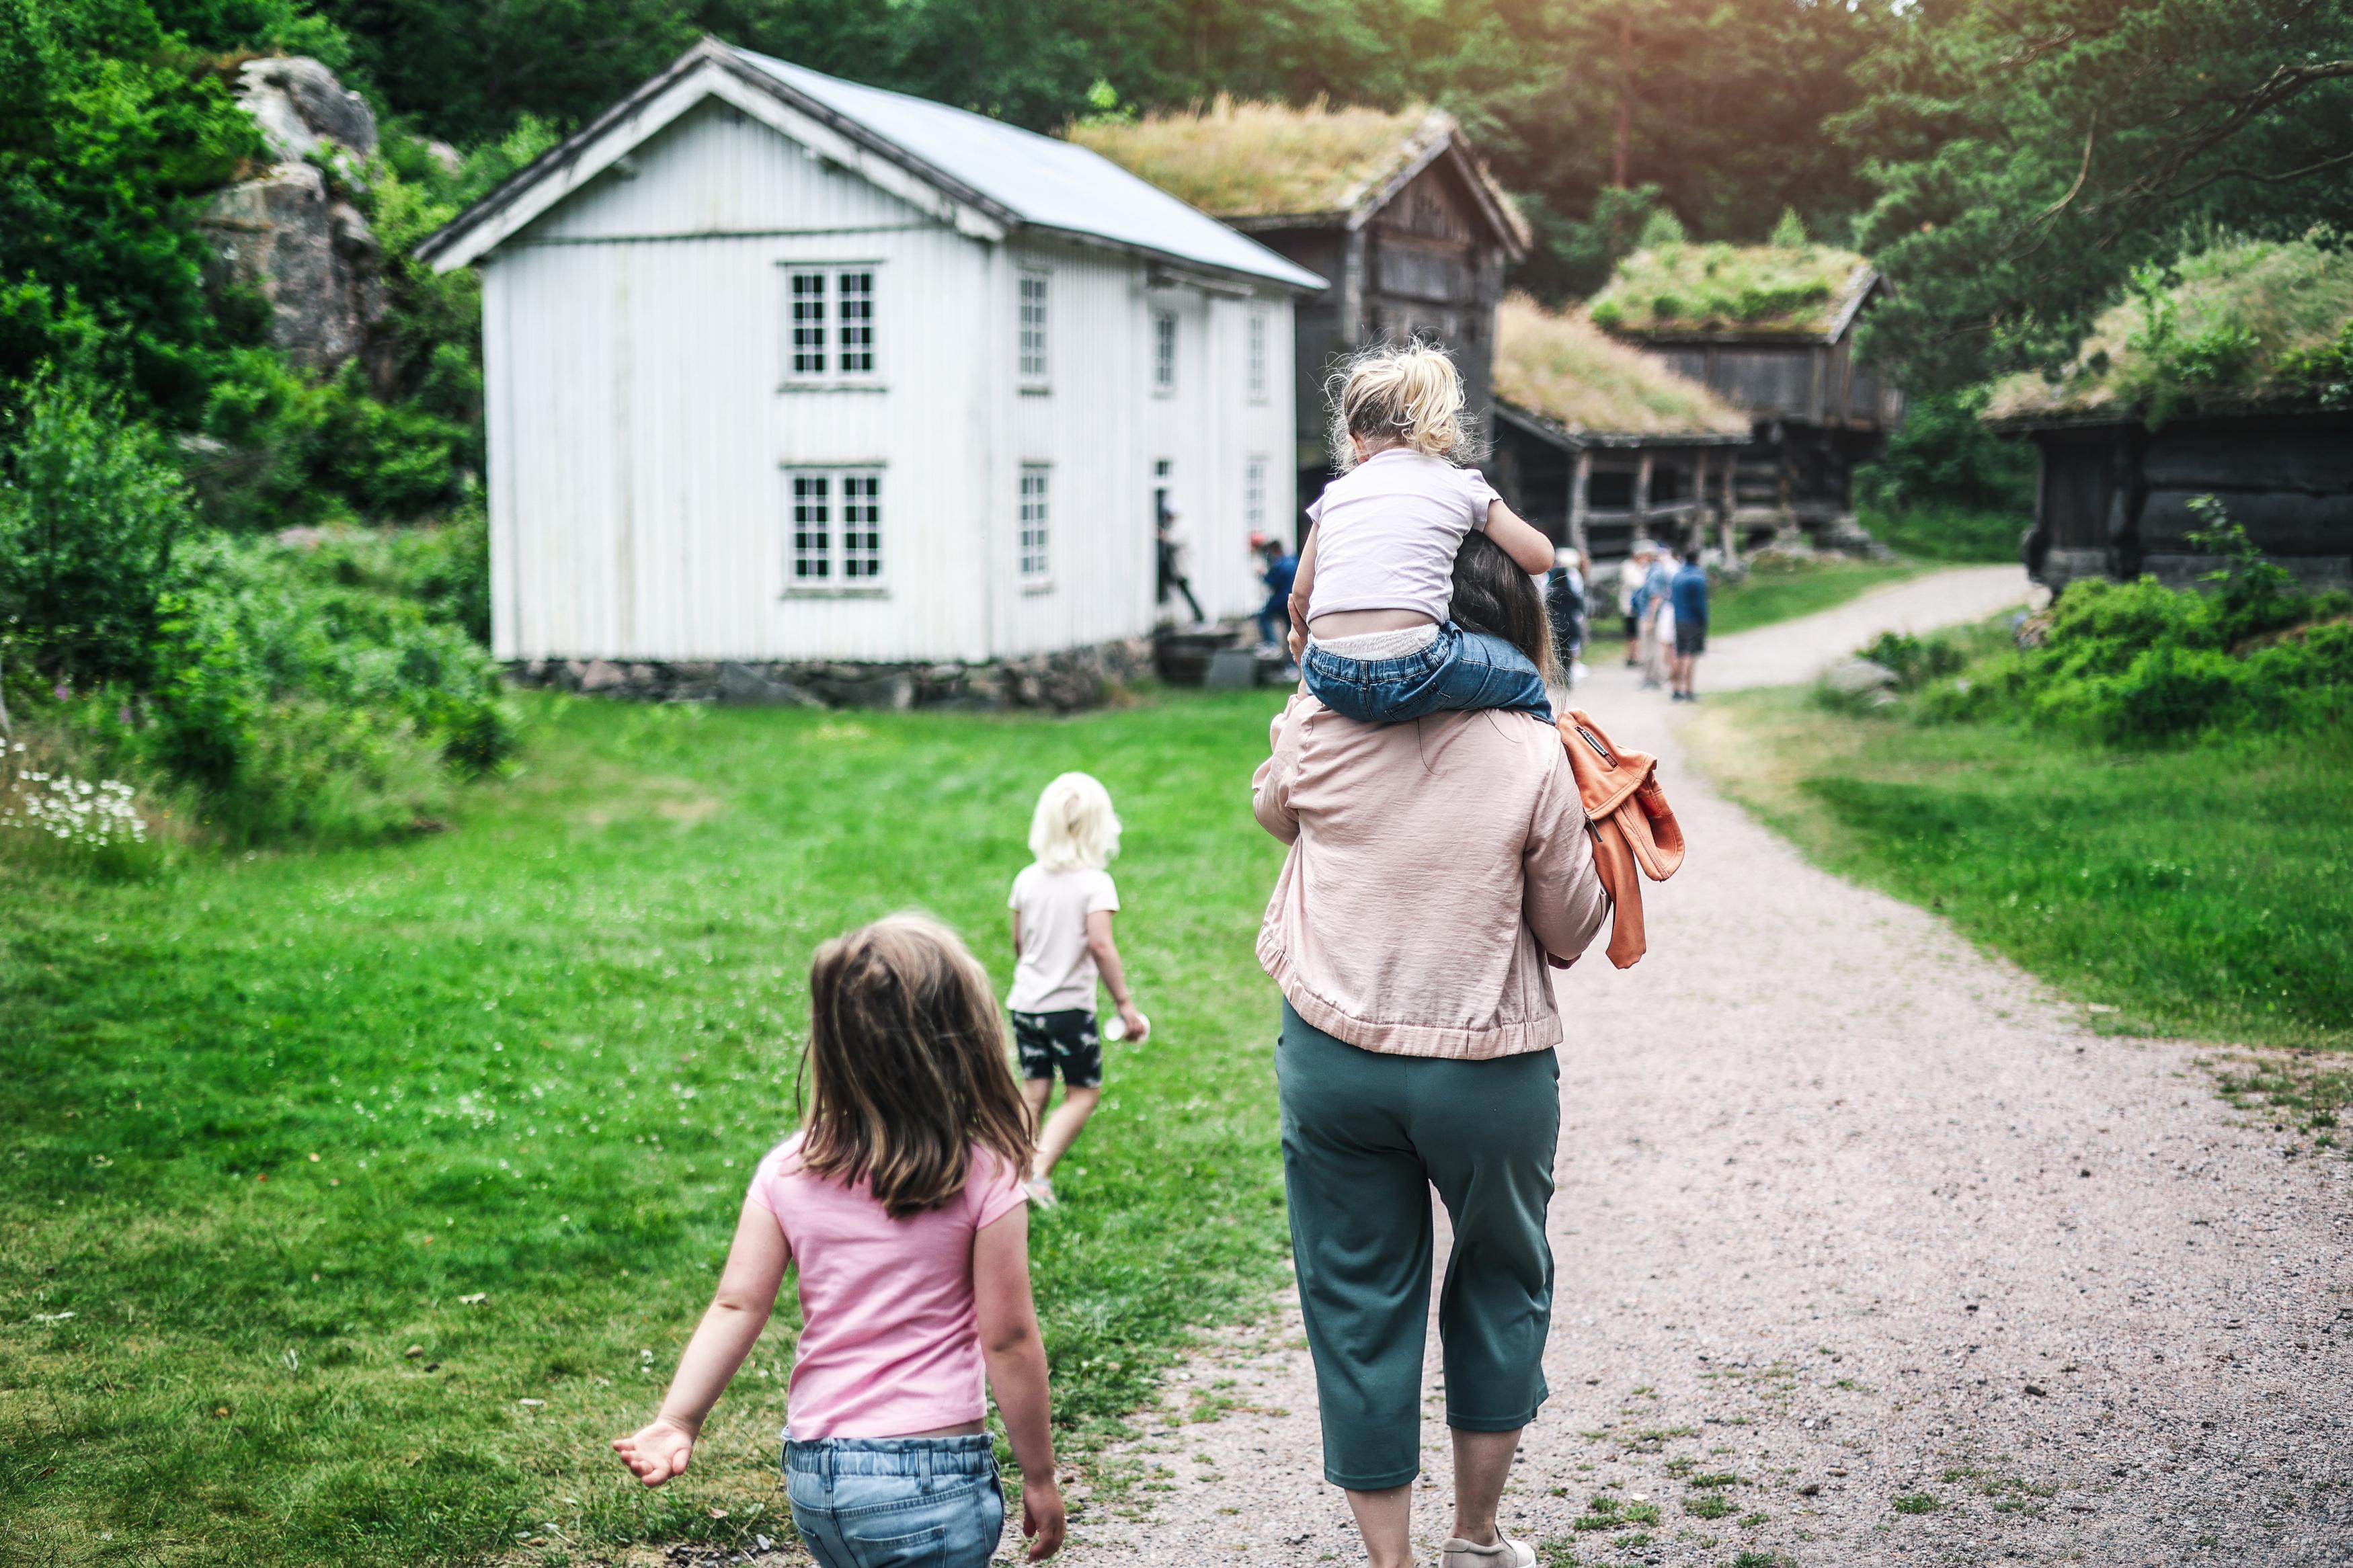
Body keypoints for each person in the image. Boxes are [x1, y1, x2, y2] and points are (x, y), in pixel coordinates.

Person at [1252, 530, 1611, 1568]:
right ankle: (1476, 1540)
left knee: (1356, 1297)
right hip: (1488, 1068)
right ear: (1518, 623)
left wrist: (1310, 701)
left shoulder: (1321, 720)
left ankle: (1391, 1564)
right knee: (1500, 1279)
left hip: (1333, 1053)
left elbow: (1275, 810)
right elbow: (1570, 928)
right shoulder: (1535, 751)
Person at [611, 915, 1066, 1567]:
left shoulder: (788, 1169)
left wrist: (678, 1419)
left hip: (818, 1479)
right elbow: (1008, 1338)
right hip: (930, 1477)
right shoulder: (984, 1175)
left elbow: (737, 1304)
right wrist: (1040, 1475)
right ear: (964, 1042)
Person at [1283, 341, 1562, 725]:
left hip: (1328, 671)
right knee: (1524, 675)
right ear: (1440, 429)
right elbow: (1540, 557)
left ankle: (1305, 715)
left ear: (1356, 440)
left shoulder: (1335, 494)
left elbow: (1301, 594)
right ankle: (1544, 745)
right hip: (1416, 664)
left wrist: (1310, 665)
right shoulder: (1461, 484)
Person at [1007, 772, 1148, 1208]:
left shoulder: (1026, 879)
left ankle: (1014, 1174)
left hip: (1025, 1004)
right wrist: (1124, 1003)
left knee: (1035, 1089)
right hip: (1067, 1011)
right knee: (1083, 1093)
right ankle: (1037, 1173)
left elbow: (1019, 942)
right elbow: (1101, 945)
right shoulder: (1095, 884)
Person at [1669, 546, 1710, 701]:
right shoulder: (1697, 577)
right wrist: (1704, 620)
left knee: (1680, 653)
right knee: (1690, 655)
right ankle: (1689, 690)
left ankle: (1676, 688)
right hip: (1693, 620)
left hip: (1679, 619)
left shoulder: (1677, 576)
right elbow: (1700, 603)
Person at [1542, 545, 1586, 686]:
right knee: (1568, 651)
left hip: (1555, 626)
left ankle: (1558, 678)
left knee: (1557, 652)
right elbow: (1578, 607)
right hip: (1569, 625)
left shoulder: (1551, 594)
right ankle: (1567, 677)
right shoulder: (1571, 593)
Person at [1158, 505, 1206, 625]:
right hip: (1178, 566)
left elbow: (1173, 539)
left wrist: (1161, 534)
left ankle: (1200, 616)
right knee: (1184, 590)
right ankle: (1199, 616)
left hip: (1182, 566)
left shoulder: (1182, 526)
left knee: (1186, 590)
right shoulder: (1177, 525)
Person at [1637, 544, 1675, 690]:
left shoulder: (1655, 572)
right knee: (1651, 648)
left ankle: (1654, 678)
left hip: (1651, 615)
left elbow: (1656, 597)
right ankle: (1653, 677)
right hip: (1652, 615)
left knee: (1650, 649)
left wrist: (1650, 619)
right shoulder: (1656, 570)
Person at [1254, 532, 1299, 654]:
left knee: (1263, 616)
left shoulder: (1280, 565)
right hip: (1293, 601)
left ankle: (1272, 645)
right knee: (1291, 630)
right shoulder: (1293, 560)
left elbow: (1273, 581)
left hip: (1281, 600)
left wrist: (1263, 575)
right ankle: (1292, 659)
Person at [1616, 546, 1645, 665]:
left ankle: (1635, 655)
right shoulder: (1628, 567)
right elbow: (1637, 583)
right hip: (1630, 606)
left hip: (1638, 606)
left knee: (1636, 633)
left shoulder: (1638, 567)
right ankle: (1632, 655)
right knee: (1632, 633)